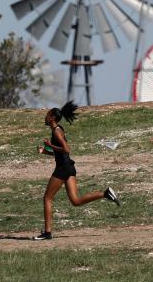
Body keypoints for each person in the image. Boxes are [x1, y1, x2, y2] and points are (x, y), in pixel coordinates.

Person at [34, 101, 120, 240]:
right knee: (76, 201)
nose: (45, 117)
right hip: (69, 166)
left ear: (51, 117)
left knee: (47, 198)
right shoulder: (58, 130)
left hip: (63, 169)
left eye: (47, 115)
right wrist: (46, 151)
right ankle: (105, 193)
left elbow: (67, 149)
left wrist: (51, 145)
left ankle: (47, 232)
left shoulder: (56, 131)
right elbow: (62, 153)